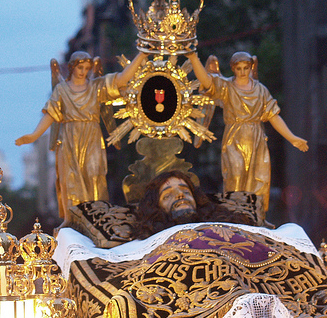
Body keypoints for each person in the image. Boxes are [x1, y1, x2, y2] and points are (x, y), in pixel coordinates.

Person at [16, 51, 146, 221]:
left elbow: (121, 79)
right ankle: (71, 220)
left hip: (91, 137)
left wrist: (142, 55)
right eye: (80, 67)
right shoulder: (62, 90)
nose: (83, 71)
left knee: (94, 175)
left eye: (87, 68)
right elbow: (51, 115)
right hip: (69, 139)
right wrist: (34, 135)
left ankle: (98, 217)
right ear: (71, 67)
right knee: (69, 179)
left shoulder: (96, 86)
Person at [187, 51, 308, 214]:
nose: (243, 72)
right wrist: (194, 58)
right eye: (239, 68)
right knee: (235, 177)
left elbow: (273, 116)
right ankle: (235, 216)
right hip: (234, 138)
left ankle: (256, 218)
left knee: (259, 180)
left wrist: (291, 138)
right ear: (233, 69)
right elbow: (207, 82)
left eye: (246, 68)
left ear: (251, 67)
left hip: (256, 138)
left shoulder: (261, 90)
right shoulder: (226, 87)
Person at [131, 170, 254, 239]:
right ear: (156, 208)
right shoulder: (149, 244)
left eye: (185, 191)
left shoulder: (228, 227)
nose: (180, 195)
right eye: (168, 196)